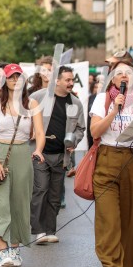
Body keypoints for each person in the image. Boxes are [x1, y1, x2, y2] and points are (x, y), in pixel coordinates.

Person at [89, 61, 133, 267]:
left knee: (130, 222)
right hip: (107, 159)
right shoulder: (102, 99)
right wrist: (114, 108)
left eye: (128, 72)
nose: (124, 76)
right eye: (119, 73)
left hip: (131, 161)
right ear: (112, 79)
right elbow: (95, 132)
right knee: (109, 220)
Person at [0, 63, 46, 267]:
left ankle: (15, 248)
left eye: (19, 77)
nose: (15, 80)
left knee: (20, 204)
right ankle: (2, 253)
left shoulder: (32, 103)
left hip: (22, 155)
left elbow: (39, 132)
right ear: (4, 81)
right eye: (11, 77)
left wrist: (38, 149)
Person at [29, 65, 84, 244]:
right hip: (40, 152)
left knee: (55, 194)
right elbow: (23, 114)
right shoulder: (39, 96)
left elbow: (80, 129)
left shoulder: (75, 103)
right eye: (67, 80)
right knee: (40, 189)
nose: (71, 83)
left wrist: (73, 140)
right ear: (57, 81)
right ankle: (38, 230)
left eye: (72, 80)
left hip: (61, 155)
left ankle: (50, 230)